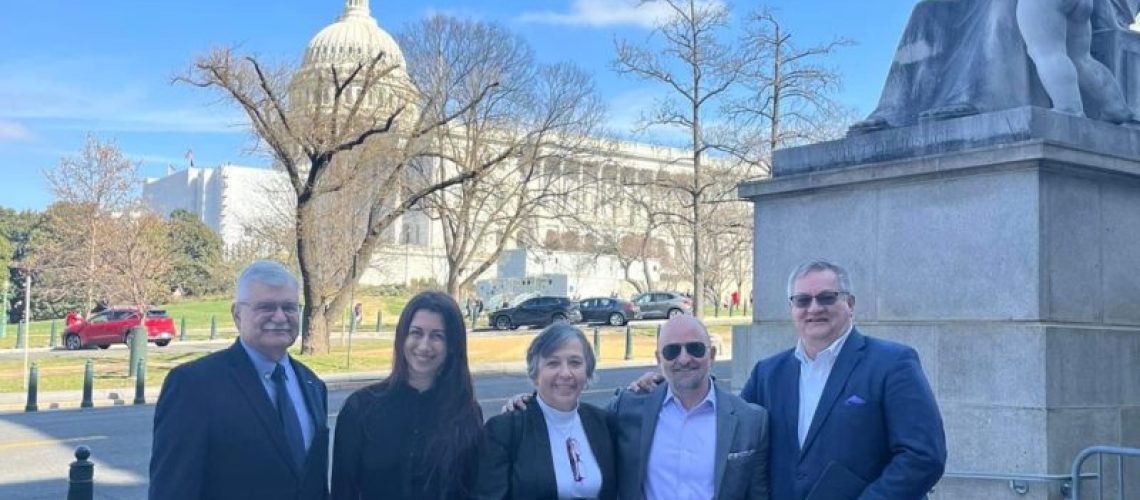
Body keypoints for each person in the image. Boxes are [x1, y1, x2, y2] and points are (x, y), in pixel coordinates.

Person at [740, 260, 946, 499]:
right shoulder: (767, 374)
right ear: (792, 309)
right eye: (802, 300)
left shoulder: (893, 364)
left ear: (850, 304)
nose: (814, 308)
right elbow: (740, 446)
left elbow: (923, 456)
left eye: (827, 297)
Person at [149, 260, 329, 500]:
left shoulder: (313, 385)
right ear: (237, 314)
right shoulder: (193, 385)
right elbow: (173, 489)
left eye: (289, 307)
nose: (280, 316)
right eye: (266, 307)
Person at [332, 290, 483, 500]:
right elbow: (343, 490)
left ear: (451, 346)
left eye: (437, 336)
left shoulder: (466, 412)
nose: (424, 345)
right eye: (416, 333)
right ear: (402, 338)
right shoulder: (361, 408)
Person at [611, 315, 769, 500]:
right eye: (672, 351)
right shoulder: (627, 409)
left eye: (695, 348)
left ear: (712, 356)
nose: (684, 359)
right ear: (658, 358)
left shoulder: (750, 421)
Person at [474, 323, 616, 500]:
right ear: (535, 374)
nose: (565, 373)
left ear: (587, 372)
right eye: (553, 363)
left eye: (575, 362)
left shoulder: (603, 423)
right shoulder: (505, 430)